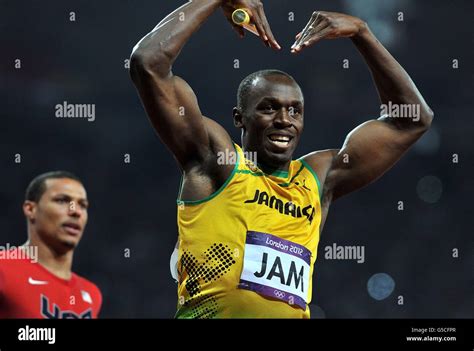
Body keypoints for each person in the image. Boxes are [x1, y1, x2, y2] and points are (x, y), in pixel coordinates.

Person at [129, 0, 433, 318]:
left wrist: (362, 33)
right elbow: (147, 63)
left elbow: (412, 120)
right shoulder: (216, 160)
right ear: (240, 118)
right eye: (269, 107)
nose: (284, 119)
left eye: (295, 110)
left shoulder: (318, 178)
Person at [0, 171, 102, 318]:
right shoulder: (3, 269)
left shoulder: (91, 294)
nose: (76, 212)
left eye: (82, 205)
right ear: (31, 209)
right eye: (62, 200)